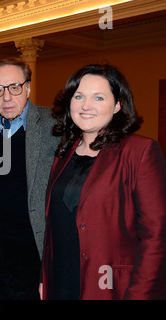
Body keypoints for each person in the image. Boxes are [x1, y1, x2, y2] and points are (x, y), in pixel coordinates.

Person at [40, 64, 166, 300]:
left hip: (111, 288)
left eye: (98, 97)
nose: (86, 106)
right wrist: (43, 279)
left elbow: (156, 237)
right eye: (79, 96)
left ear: (118, 105)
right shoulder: (64, 153)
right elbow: (53, 227)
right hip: (61, 283)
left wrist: (140, 295)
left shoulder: (139, 151)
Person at [0, 58, 59, 300]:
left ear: (28, 88)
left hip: (33, 244)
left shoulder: (54, 124)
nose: (6, 97)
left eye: (14, 87)